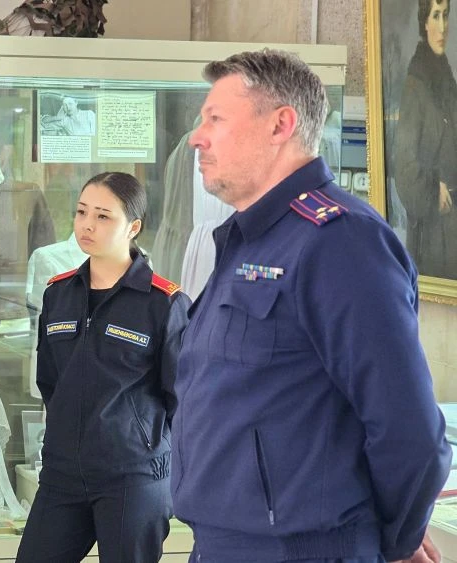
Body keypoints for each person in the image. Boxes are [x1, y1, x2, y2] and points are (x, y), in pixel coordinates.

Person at [173, 49, 451, 563]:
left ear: (280, 125)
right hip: (225, 544)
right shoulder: (250, 239)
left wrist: (395, 540)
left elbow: (408, 429)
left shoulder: (339, 241)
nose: (197, 137)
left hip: (304, 549)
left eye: (215, 119)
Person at [16, 172, 190, 563]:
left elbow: (182, 398)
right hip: (63, 474)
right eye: (81, 212)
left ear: (133, 227)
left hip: (132, 476)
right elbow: (50, 381)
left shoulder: (163, 303)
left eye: (103, 216)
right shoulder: (58, 294)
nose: (87, 225)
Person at [394, 0, 457, 279]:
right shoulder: (415, 86)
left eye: (446, 15)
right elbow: (404, 168)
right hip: (432, 237)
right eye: (435, 16)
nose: (442, 27)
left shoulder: (446, 79)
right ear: (424, 23)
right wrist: (434, 191)